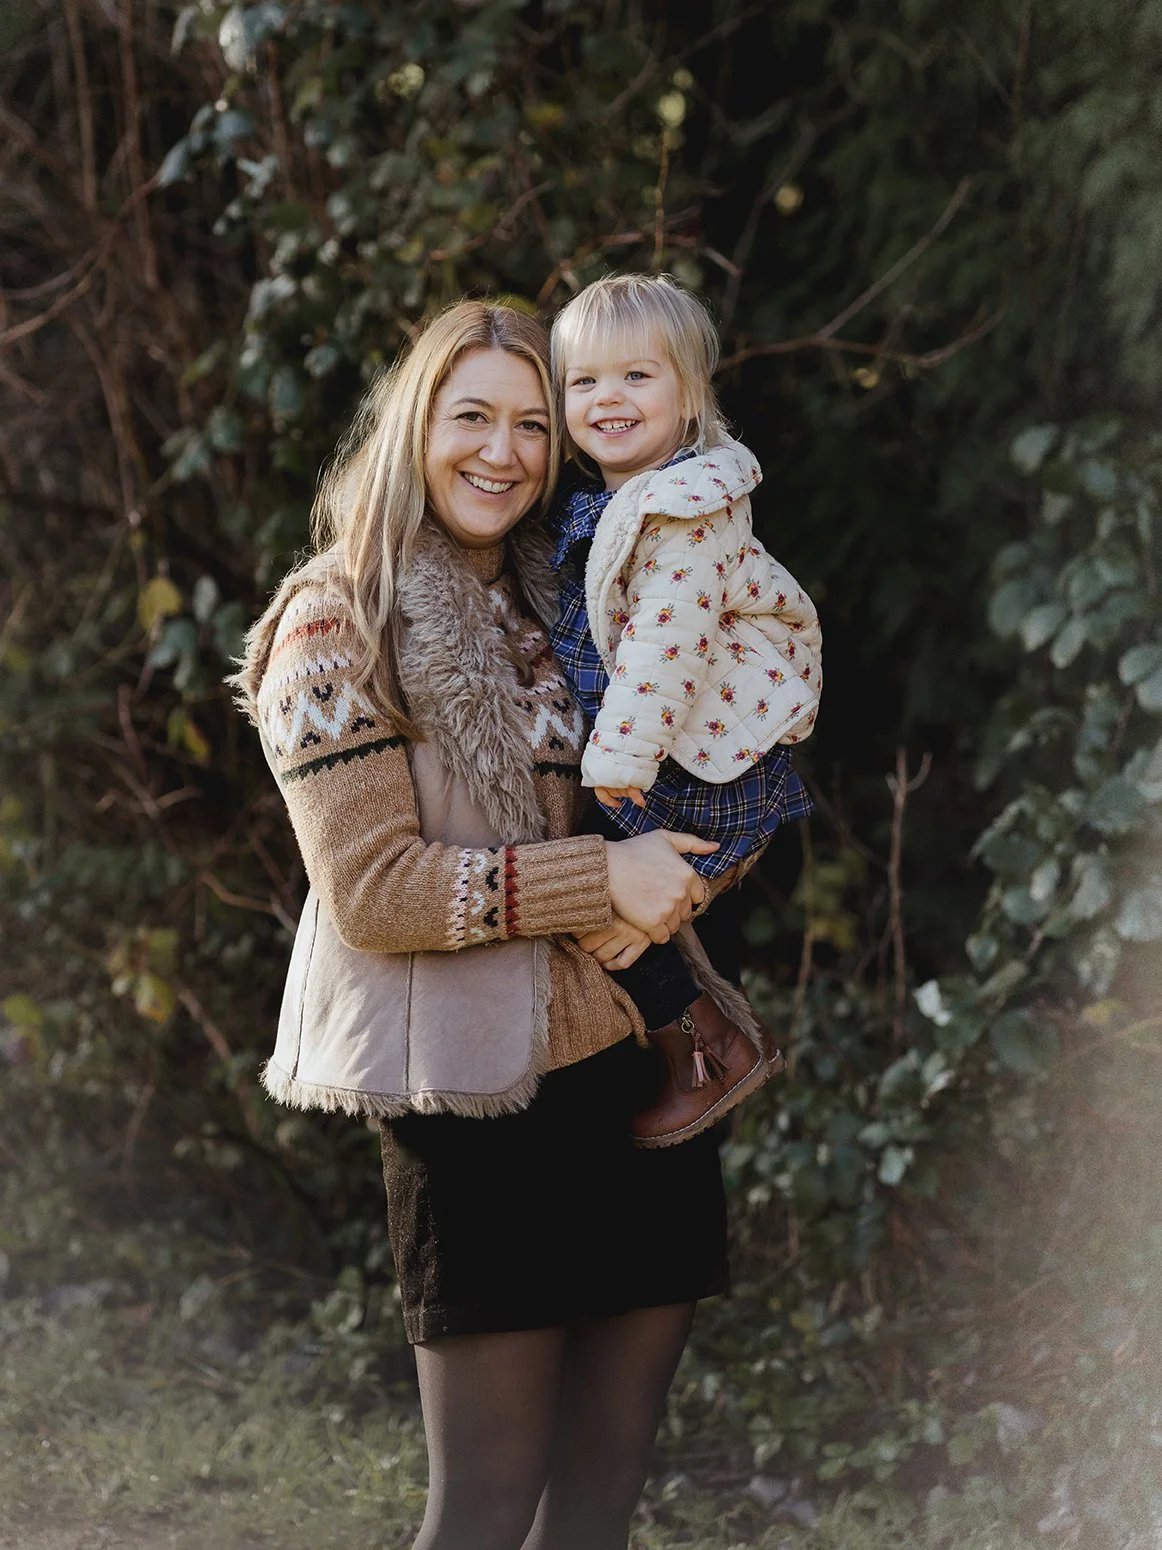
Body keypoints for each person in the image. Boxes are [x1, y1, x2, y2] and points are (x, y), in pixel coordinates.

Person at [230, 300, 766, 1550]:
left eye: (534, 423)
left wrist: (692, 867)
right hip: (476, 1102)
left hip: (638, 1074)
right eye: (470, 415)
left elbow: (683, 779)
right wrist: (601, 878)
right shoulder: (334, 620)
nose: (503, 450)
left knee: (598, 1505)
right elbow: (373, 888)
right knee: (480, 1511)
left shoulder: (585, 590)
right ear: (415, 423)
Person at [547, 272, 823, 1147]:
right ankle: (694, 1042)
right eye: (584, 382)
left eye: (637, 376)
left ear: (690, 394)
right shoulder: (630, 502)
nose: (607, 398)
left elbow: (666, 647)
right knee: (580, 890)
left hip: (690, 771)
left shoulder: (689, 510)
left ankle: (707, 1050)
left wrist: (617, 767)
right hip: (679, 753)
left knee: (575, 879)